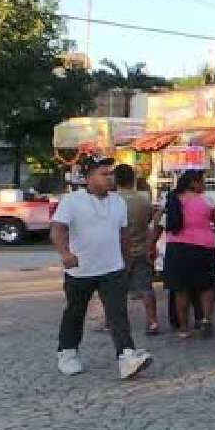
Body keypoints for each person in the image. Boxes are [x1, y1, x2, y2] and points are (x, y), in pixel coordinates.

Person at [50, 157, 153, 379]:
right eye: (104, 174)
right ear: (88, 178)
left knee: (118, 313)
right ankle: (67, 352)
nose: (110, 177)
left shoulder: (118, 202)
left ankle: (126, 356)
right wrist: (65, 254)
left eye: (111, 173)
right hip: (81, 270)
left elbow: (123, 235)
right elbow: (58, 230)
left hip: (112, 268)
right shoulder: (72, 201)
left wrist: (126, 261)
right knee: (75, 312)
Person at [159, 170, 215, 339]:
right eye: (202, 181)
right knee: (206, 287)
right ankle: (206, 320)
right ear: (193, 183)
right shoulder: (207, 200)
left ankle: (183, 328)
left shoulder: (174, 200)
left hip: (177, 248)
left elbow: (161, 222)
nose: (204, 185)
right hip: (203, 247)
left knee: (181, 289)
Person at [115, 164, 160, 336]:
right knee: (146, 288)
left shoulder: (112, 200)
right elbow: (153, 218)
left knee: (116, 290)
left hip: (119, 252)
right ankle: (152, 321)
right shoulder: (143, 200)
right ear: (133, 179)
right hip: (141, 249)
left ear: (116, 180)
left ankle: (113, 321)